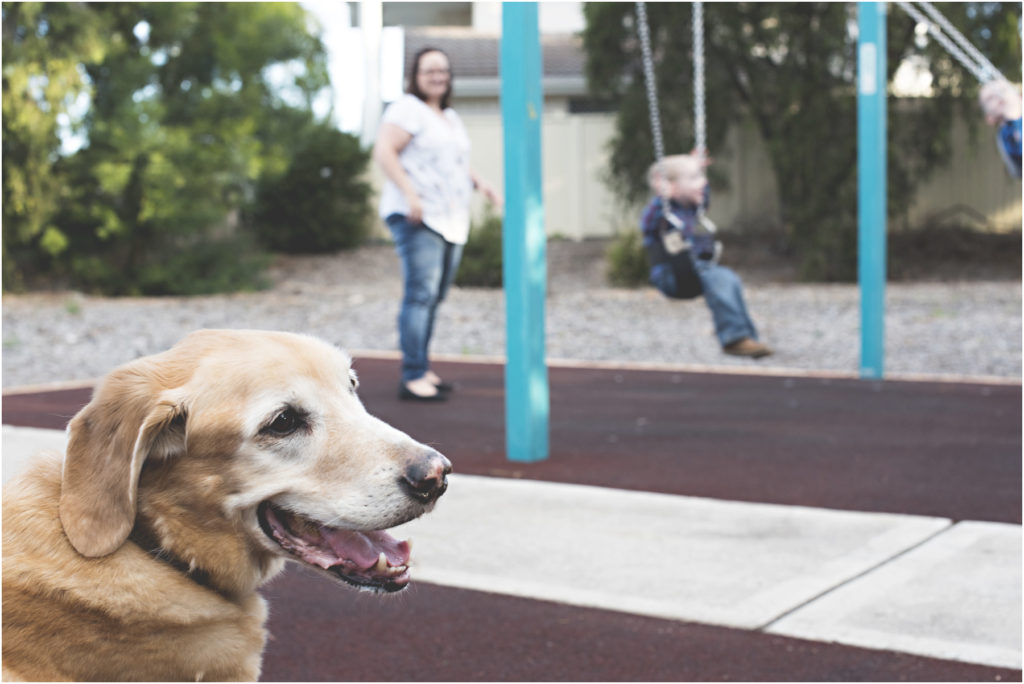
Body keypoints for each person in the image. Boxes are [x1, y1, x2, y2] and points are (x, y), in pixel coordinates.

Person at [373, 47, 503, 402]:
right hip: (419, 216)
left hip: (451, 218)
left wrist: (481, 183)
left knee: (435, 296)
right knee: (420, 295)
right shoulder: (407, 109)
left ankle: (421, 365)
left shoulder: (449, 116)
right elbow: (385, 151)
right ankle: (412, 375)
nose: (437, 76)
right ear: (415, 75)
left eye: (443, 71)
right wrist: (410, 195)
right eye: (429, 70)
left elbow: (456, 163)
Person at [640, 153, 772, 358]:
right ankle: (734, 339)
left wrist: (695, 167)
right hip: (673, 276)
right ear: (670, 186)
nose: (703, 182)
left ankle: (745, 337)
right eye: (694, 178)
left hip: (696, 271)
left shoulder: (691, 207)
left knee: (730, 279)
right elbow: (651, 219)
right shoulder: (660, 213)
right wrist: (662, 194)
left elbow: (704, 196)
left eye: (701, 176)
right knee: (721, 279)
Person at [978, 79, 1022, 179]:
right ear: (990, 119)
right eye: (990, 98)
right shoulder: (1005, 136)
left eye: (1002, 90)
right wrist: (1016, 119)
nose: (998, 97)